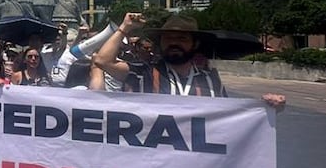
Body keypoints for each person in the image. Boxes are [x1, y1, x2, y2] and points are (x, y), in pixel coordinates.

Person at [95, 13, 285, 109]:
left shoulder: (211, 80)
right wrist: (124, 28)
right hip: (149, 165)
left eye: (182, 39)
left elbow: (229, 116)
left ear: (195, 44)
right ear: (160, 43)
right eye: (168, 39)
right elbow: (103, 61)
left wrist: (264, 108)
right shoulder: (142, 73)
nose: (174, 43)